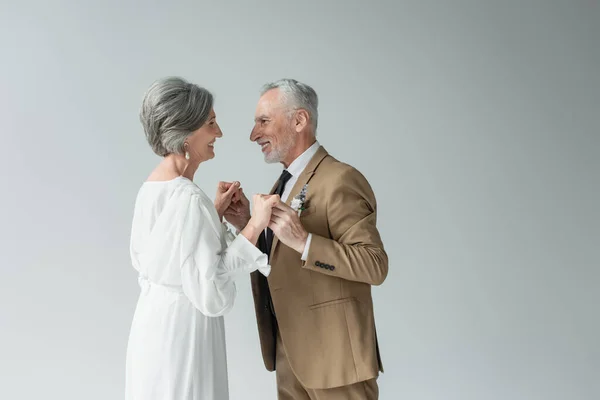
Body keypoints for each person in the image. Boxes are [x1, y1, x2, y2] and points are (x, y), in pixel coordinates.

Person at [224, 79, 388, 399]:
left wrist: (305, 242)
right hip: (290, 352)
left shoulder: (340, 179)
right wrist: (248, 224)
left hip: (336, 359)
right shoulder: (284, 182)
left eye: (263, 121)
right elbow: (282, 260)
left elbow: (374, 264)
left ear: (300, 120)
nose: (253, 134)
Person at [125, 77, 278, 400]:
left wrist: (214, 213)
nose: (219, 133)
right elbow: (211, 286)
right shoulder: (189, 199)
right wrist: (255, 225)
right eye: (211, 123)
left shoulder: (151, 187)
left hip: (153, 325)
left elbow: (170, 251)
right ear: (187, 132)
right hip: (184, 331)